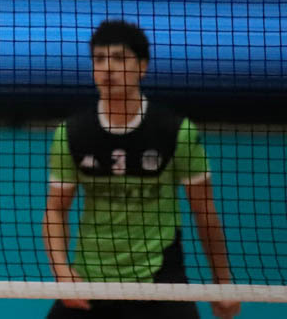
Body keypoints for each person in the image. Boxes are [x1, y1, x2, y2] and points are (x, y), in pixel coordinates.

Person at [43, 20, 241, 319]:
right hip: (91, 281)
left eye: (119, 58)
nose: (108, 68)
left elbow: (205, 212)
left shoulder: (176, 132)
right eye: (99, 59)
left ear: (142, 67)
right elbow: (56, 210)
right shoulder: (71, 133)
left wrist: (222, 283)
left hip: (160, 283)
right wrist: (62, 272)